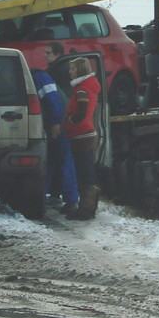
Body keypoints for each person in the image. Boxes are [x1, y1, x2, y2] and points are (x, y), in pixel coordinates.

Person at [31, 65, 79, 214]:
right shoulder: (36, 76)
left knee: (63, 159)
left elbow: (53, 99)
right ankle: (50, 195)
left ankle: (71, 201)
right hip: (50, 125)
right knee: (53, 160)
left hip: (57, 125)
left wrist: (56, 122)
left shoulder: (39, 77)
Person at [64, 57, 101, 220]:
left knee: (83, 173)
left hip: (81, 135)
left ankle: (85, 210)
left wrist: (70, 120)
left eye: (72, 69)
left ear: (79, 70)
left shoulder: (81, 90)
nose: (70, 72)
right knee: (87, 172)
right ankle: (88, 206)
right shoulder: (89, 87)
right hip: (87, 134)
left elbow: (81, 113)